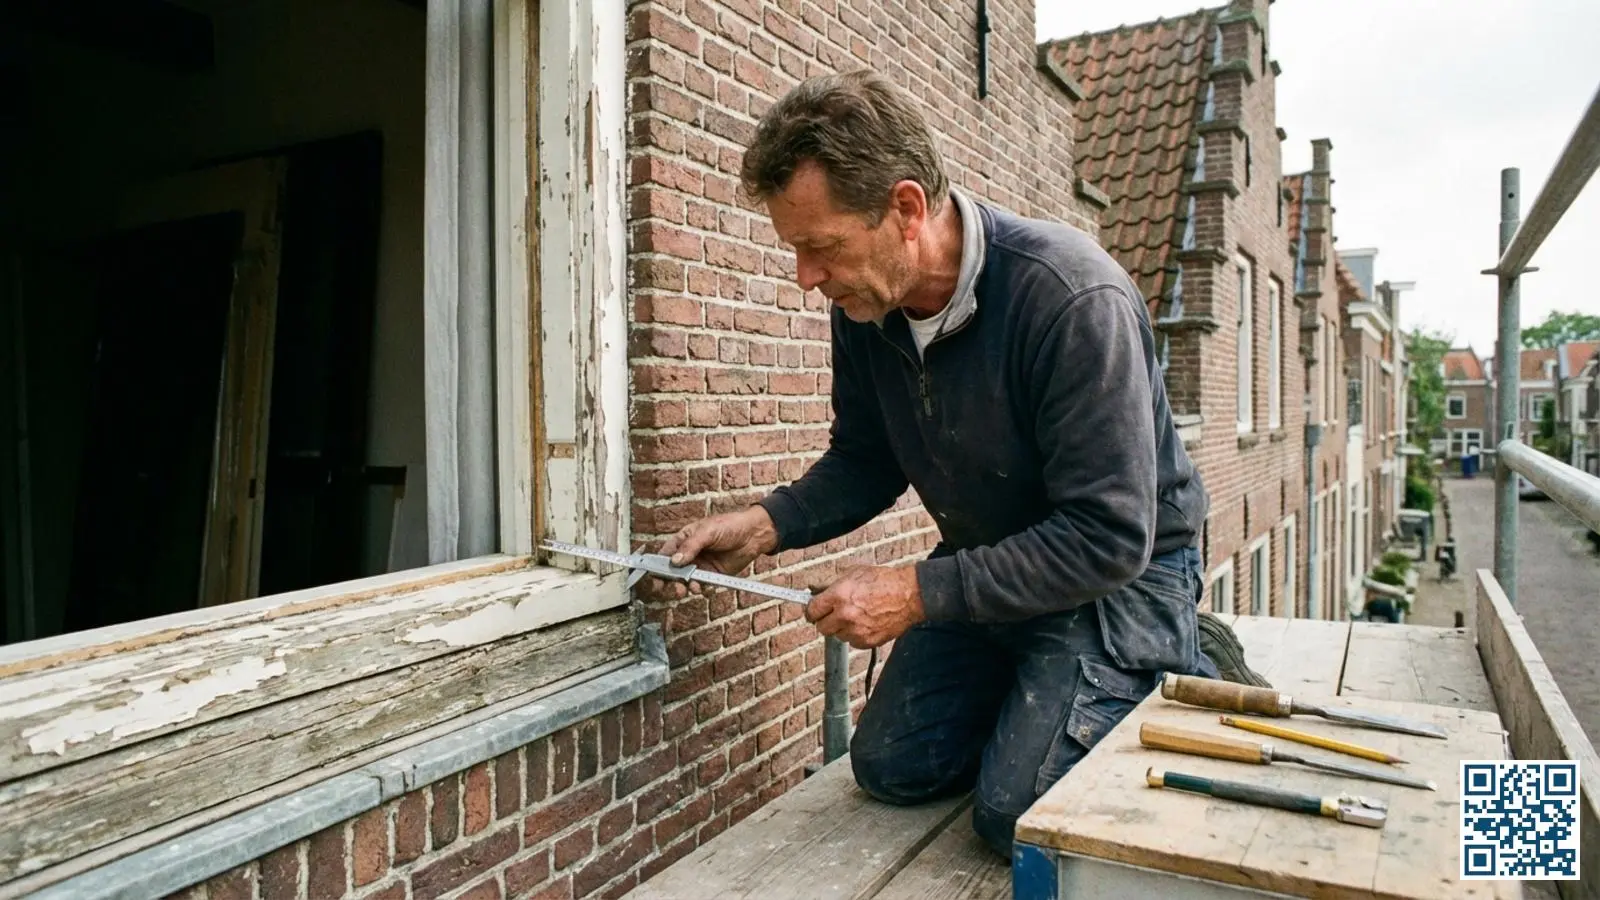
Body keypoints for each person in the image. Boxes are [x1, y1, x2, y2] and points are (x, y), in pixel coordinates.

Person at [660, 68, 1232, 860]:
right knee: (892, 767)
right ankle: (1047, 695)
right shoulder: (868, 307)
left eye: (820, 247)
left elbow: (1107, 535)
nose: (806, 279)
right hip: (995, 569)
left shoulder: (1069, 298)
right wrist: (767, 525)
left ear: (905, 208)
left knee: (1014, 816)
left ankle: (1176, 653)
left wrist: (915, 593)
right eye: (797, 252)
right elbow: (866, 460)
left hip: (1123, 579)